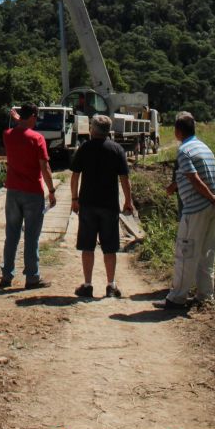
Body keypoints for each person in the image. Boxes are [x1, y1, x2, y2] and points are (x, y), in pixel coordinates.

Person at [155, 111, 215, 311]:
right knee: (206, 252)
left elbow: (195, 179)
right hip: (211, 209)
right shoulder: (205, 148)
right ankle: (205, 295)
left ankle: (177, 298)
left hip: (195, 208)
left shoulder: (184, 151)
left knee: (185, 253)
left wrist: (212, 197)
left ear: (178, 131)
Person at [70, 113, 133, 298]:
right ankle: (111, 285)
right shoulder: (117, 149)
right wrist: (128, 201)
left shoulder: (84, 148)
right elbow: (124, 179)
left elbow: (75, 176)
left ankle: (88, 285)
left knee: (87, 246)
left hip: (87, 204)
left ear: (92, 129)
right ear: (108, 131)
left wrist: (74, 199)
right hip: (109, 205)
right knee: (110, 247)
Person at [0, 103, 57, 290]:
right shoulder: (38, 138)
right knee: (31, 236)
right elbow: (45, 167)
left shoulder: (8, 135)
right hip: (32, 192)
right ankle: (32, 277)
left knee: (12, 234)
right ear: (32, 116)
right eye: (36, 117)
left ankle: (7, 275)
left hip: (13, 192)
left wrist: (20, 120)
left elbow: (18, 129)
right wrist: (52, 190)